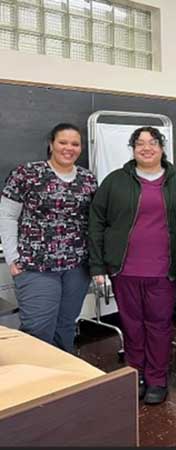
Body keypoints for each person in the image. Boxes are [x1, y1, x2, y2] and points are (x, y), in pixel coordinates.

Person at [89, 126, 176, 405]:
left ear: (162, 147)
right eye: (140, 144)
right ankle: (136, 375)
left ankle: (157, 379)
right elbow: (96, 222)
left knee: (159, 327)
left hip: (164, 272)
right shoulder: (114, 182)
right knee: (132, 326)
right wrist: (98, 267)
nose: (146, 148)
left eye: (152, 142)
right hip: (124, 270)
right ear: (132, 149)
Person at [0, 123, 97, 353]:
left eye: (75, 144)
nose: (69, 148)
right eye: (63, 142)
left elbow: (95, 220)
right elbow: (7, 216)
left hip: (77, 267)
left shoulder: (88, 179)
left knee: (66, 326)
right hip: (36, 266)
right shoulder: (27, 174)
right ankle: (37, 382)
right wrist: (13, 257)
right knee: (38, 328)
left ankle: (64, 381)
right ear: (51, 144)